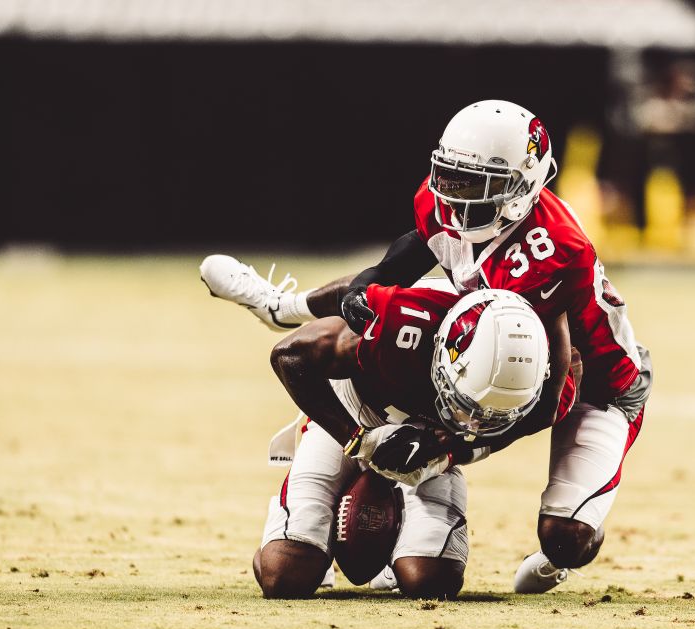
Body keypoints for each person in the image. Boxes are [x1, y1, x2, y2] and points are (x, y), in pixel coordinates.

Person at [201, 99, 650, 594]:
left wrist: (452, 451)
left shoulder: (552, 257)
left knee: (566, 535)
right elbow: (411, 251)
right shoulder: (444, 253)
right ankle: (285, 307)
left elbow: (551, 393)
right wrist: (354, 296)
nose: (456, 201)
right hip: (478, 340)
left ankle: (556, 555)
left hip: (589, 381)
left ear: (524, 187)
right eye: (452, 179)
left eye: (478, 187)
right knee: (375, 314)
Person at [248, 283, 574, 599]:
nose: (476, 420)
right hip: (354, 416)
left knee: (431, 582)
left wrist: (451, 455)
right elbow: (290, 355)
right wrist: (359, 440)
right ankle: (315, 527)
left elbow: (535, 417)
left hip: (434, 445)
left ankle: (393, 547)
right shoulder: (402, 322)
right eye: (472, 404)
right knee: (285, 577)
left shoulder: (546, 379)